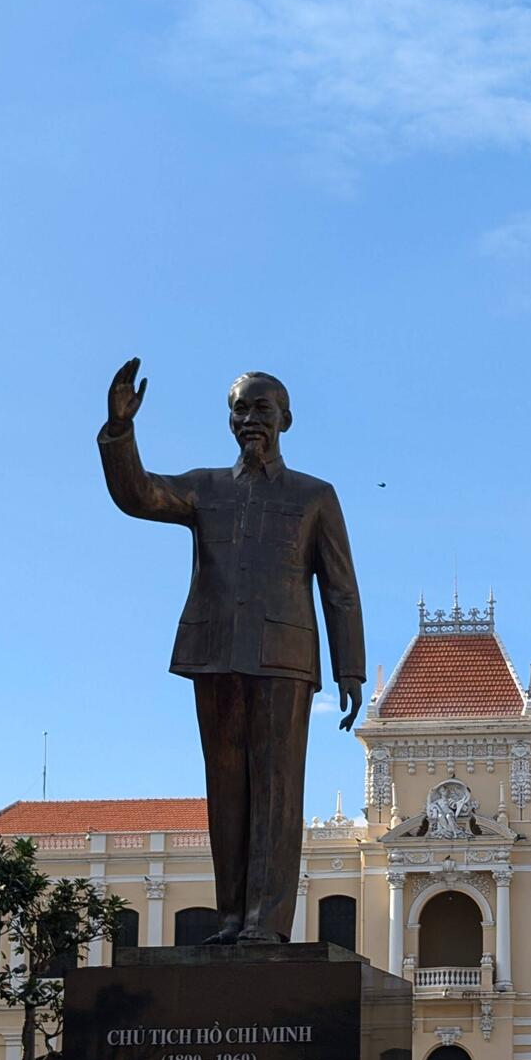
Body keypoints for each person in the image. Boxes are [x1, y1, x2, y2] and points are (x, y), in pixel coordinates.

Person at [99, 360, 365, 943]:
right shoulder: (205, 488)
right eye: (239, 409)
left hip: (284, 658)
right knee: (226, 789)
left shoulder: (314, 496)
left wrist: (350, 668)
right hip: (214, 652)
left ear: (286, 419)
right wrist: (120, 431)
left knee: (277, 790)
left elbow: (340, 588)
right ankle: (230, 918)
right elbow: (139, 494)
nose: (249, 419)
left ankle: (265, 925)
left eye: (260, 408)